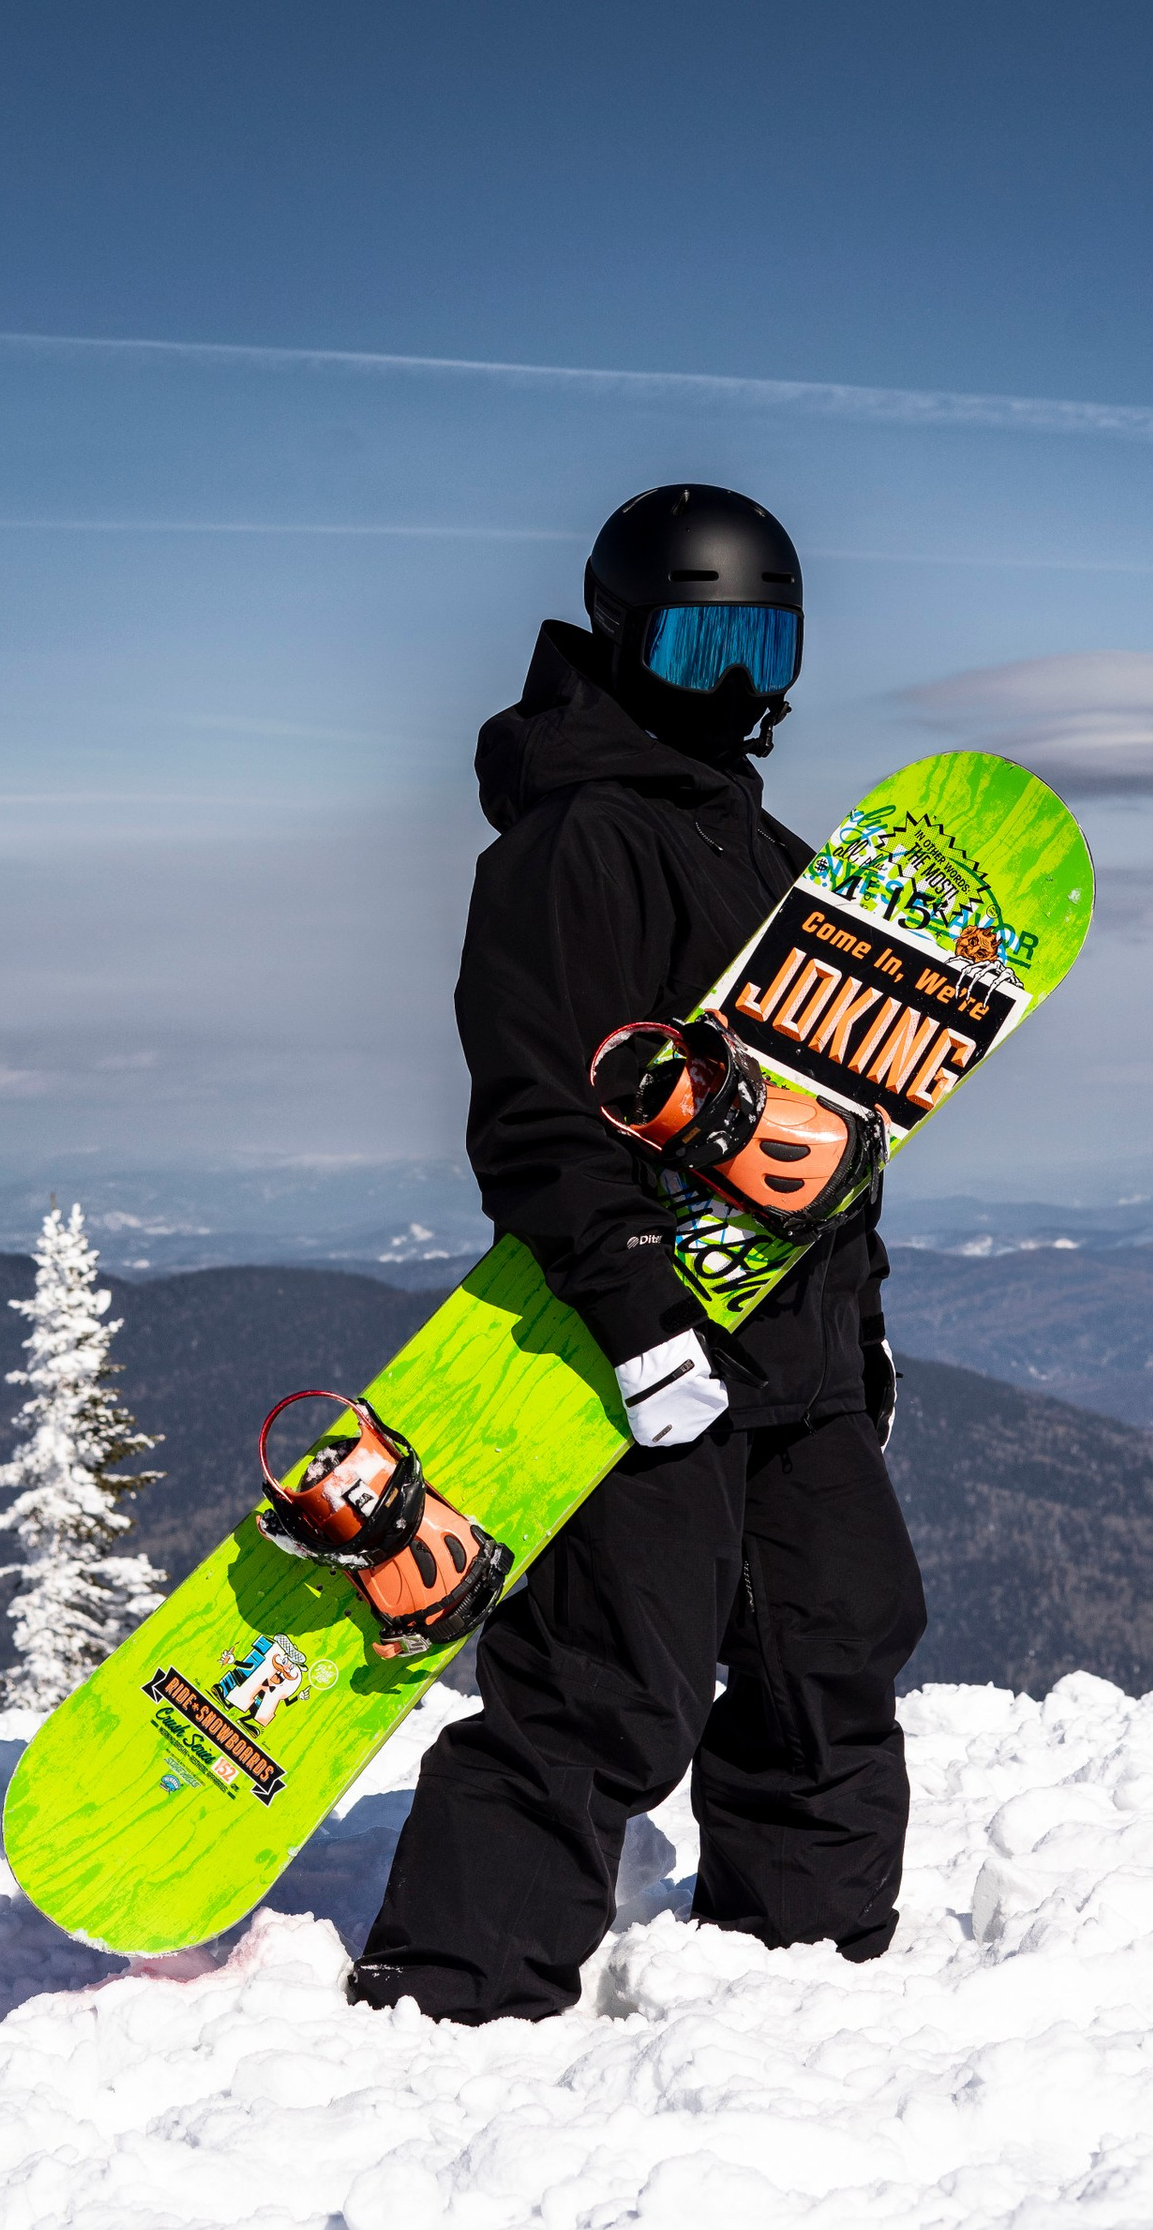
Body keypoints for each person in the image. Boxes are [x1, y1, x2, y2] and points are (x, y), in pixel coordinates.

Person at [347, 481, 926, 2023]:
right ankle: (451, 1990)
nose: (733, 682)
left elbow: (835, 1135)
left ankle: (806, 1966)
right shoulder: (573, 846)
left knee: (837, 1644)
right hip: (644, 1355)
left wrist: (860, 1331)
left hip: (795, 1353)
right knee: (612, 1683)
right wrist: (636, 1320)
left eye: (761, 643)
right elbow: (540, 1113)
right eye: (699, 639)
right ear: (623, 635)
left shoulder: (775, 853)